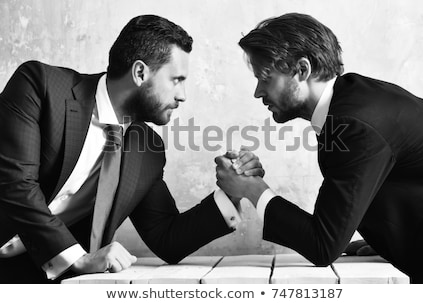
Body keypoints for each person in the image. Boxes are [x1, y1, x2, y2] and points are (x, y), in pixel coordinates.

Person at [0, 14, 262, 283]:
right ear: (140, 73)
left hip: (49, 281)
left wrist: (231, 193)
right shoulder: (40, 86)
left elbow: (166, 238)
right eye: (176, 79)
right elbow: (15, 183)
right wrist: (77, 258)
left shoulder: (147, 149)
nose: (183, 95)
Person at [215, 13, 423, 283]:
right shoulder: (352, 103)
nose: (257, 92)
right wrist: (388, 238)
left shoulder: (354, 123)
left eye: (265, 78)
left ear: (302, 70)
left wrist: (252, 189)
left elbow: (322, 246)